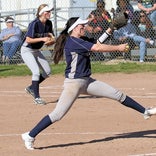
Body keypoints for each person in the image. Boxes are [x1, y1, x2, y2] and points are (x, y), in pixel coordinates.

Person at [21, 17, 156, 150]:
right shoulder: (73, 41)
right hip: (73, 84)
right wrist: (118, 48)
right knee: (57, 114)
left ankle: (145, 111)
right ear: (73, 28)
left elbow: (97, 41)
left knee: (117, 94)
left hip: (87, 81)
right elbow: (97, 48)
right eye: (81, 26)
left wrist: (110, 29)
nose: (84, 27)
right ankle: (30, 135)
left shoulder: (81, 40)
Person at [20, 4, 56, 105]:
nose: (49, 13)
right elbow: (28, 39)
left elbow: (50, 35)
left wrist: (52, 40)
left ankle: (31, 88)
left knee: (47, 72)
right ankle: (37, 98)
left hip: (36, 50)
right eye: (47, 11)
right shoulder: (34, 23)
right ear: (41, 13)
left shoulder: (49, 23)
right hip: (27, 50)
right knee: (36, 72)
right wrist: (42, 39)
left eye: (50, 11)